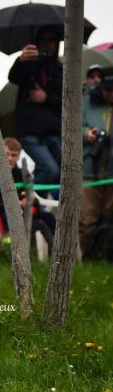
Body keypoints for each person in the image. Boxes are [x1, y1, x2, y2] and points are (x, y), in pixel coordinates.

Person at [8, 27, 63, 189]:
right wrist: (21, 60)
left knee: (61, 172)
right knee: (50, 170)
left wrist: (46, 98)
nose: (47, 44)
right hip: (30, 131)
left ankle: (37, 207)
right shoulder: (29, 64)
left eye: (51, 40)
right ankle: (27, 199)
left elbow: (67, 100)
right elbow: (13, 77)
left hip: (53, 131)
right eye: (43, 40)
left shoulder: (60, 68)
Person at [80, 66, 113, 257]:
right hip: (88, 171)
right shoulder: (85, 102)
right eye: (107, 89)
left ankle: (101, 258)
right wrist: (87, 134)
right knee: (87, 220)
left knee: (107, 218)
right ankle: (78, 261)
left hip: (110, 174)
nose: (111, 94)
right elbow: (69, 128)